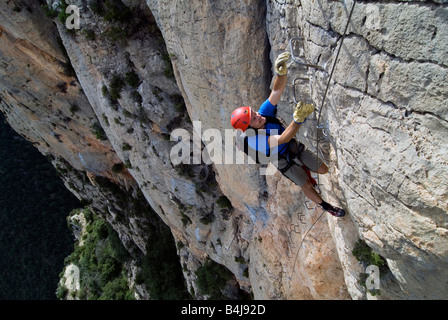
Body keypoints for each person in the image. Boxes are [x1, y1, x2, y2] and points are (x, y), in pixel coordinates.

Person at [230, 52, 346, 217]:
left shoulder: (264, 114)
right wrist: (297, 120)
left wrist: (280, 73)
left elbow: (276, 90)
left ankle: (309, 171)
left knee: (323, 169)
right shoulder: (255, 140)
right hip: (283, 159)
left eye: (254, 112)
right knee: (305, 184)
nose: (259, 116)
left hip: (293, 147)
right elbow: (283, 138)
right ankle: (326, 206)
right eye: (255, 118)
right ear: (250, 128)